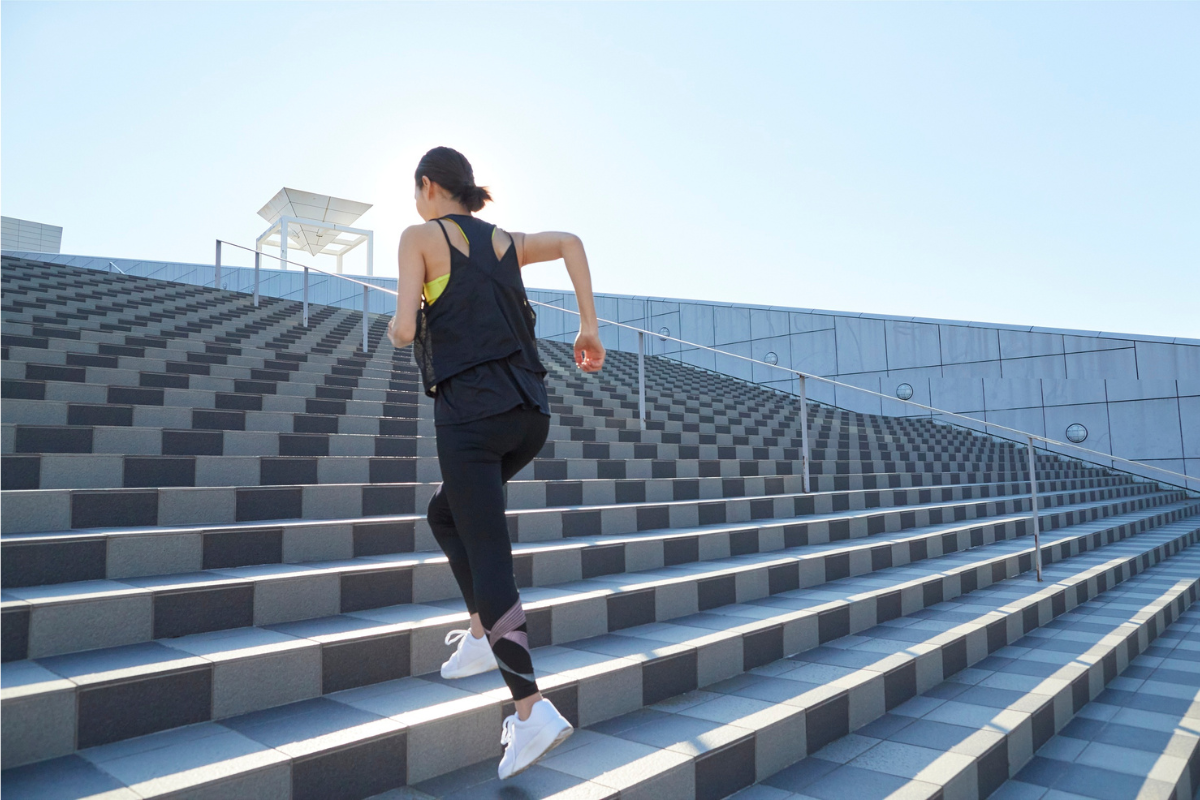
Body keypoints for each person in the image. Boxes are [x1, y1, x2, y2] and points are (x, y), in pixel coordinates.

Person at [386, 146, 605, 779]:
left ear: (428, 187)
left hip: (470, 418)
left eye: (417, 192)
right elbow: (570, 242)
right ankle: (482, 635)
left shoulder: (418, 237)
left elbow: (403, 329)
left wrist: (408, 323)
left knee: (487, 550)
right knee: (446, 514)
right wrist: (588, 328)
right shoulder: (505, 241)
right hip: (526, 413)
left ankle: (531, 710)